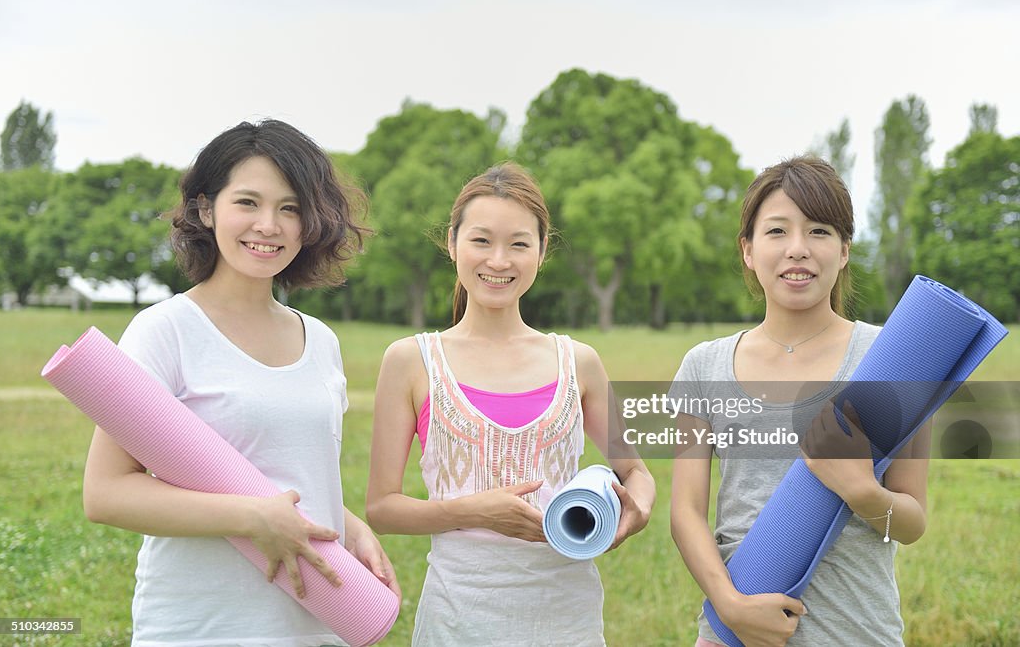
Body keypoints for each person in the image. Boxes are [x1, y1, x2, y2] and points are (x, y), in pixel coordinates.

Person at [83, 119, 400, 646]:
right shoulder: (165, 331)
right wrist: (252, 517)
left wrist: (354, 529)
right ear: (207, 209)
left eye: (290, 207)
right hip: (204, 627)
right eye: (248, 202)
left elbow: (289, 472)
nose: (269, 225)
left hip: (319, 623)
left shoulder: (320, 340)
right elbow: (106, 493)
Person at [366, 162, 656, 646]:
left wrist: (638, 510)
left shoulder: (578, 362)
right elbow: (382, 508)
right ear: (452, 243)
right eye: (481, 240)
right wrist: (474, 511)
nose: (498, 261)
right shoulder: (411, 361)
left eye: (519, 244)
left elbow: (636, 472)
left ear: (542, 252)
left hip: (568, 619)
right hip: (458, 619)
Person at [670, 156, 930, 647]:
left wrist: (863, 492)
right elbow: (685, 513)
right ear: (747, 250)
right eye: (776, 232)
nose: (797, 250)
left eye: (819, 231)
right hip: (735, 631)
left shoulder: (894, 360)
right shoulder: (704, 366)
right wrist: (730, 608)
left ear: (845, 249)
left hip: (858, 631)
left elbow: (912, 522)